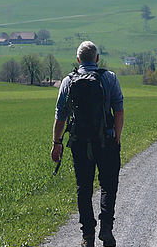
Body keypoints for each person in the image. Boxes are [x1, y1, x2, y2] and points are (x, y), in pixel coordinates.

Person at [51, 41, 124, 247]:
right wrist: (116, 137)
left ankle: (88, 236)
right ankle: (106, 228)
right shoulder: (109, 78)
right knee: (108, 185)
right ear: (97, 58)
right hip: (106, 141)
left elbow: (60, 116)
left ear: (78, 60)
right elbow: (119, 110)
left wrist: (57, 143)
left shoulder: (68, 81)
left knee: (84, 187)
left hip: (80, 143)